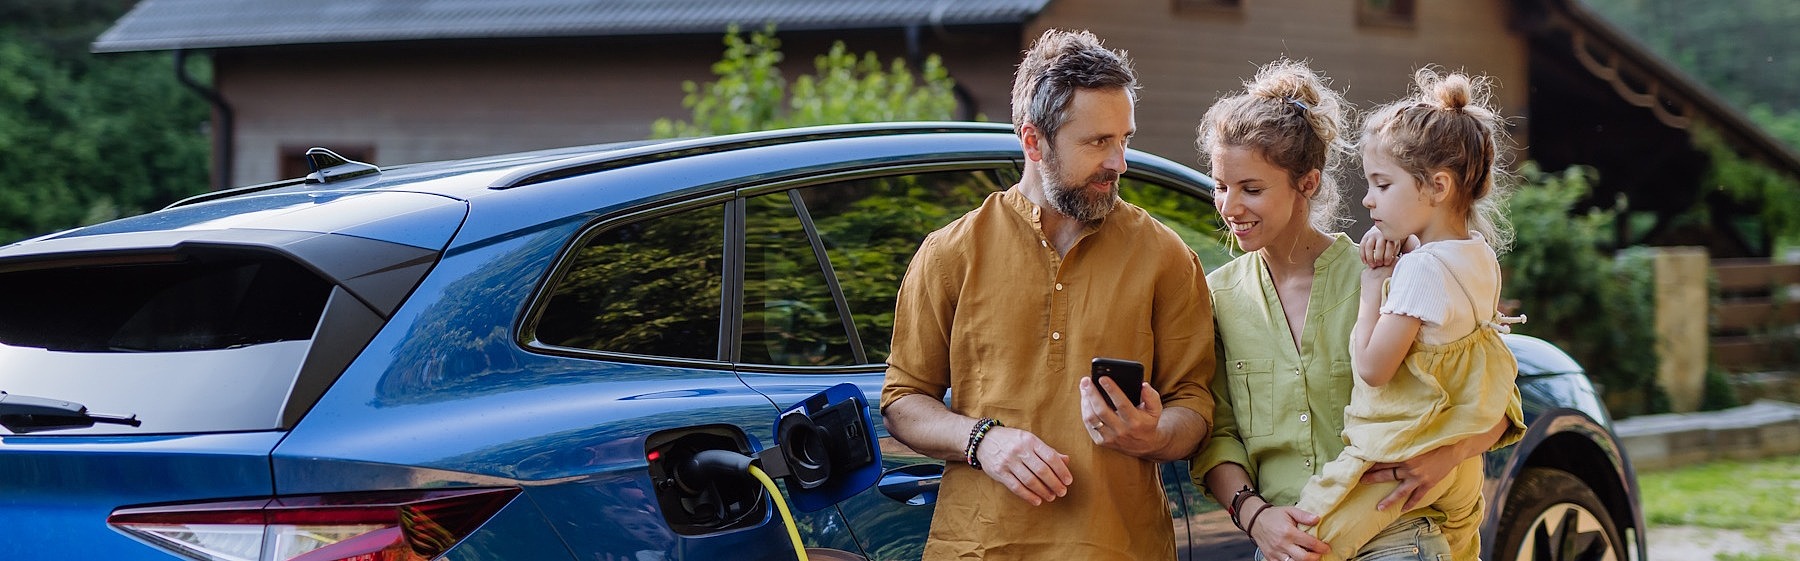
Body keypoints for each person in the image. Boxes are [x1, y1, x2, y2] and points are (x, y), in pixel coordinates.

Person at [881, 28, 1216, 560]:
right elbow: (903, 402)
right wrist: (982, 440)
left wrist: (1150, 435)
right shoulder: (951, 252)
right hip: (978, 547)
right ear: (1033, 141)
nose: (1119, 163)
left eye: (1124, 139)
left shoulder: (1166, 257)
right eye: (1097, 142)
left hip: (1118, 548)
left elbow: (1195, 409)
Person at [1189, 59, 1523, 561]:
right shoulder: (1217, 297)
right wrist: (1256, 518)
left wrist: (1445, 456)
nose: (1229, 206)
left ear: (1308, 183)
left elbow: (1491, 396)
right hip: (1289, 545)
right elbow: (1218, 434)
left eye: (1251, 189)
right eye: (1220, 186)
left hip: (1397, 533)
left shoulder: (1397, 269)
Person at [1292, 67, 1528, 561]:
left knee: (1304, 541)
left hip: (1398, 458)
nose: (1367, 198)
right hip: (1457, 463)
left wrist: (1374, 283)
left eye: (1382, 183)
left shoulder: (1420, 270)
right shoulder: (1477, 255)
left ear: (1437, 186)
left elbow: (1374, 369)